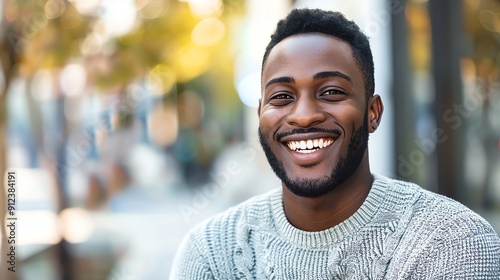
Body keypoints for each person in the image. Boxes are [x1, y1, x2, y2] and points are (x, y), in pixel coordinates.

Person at [170, 8, 500, 279]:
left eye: (331, 92)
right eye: (282, 97)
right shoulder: (211, 253)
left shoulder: (451, 243)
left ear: (373, 112)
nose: (303, 116)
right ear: (260, 115)